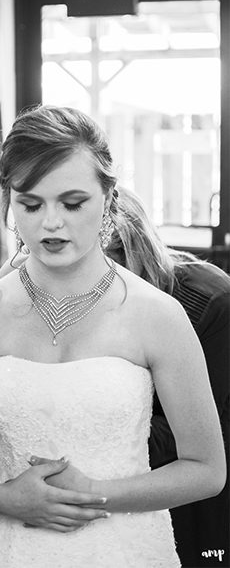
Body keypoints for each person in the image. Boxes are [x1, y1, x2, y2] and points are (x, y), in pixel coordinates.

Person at [0, 105, 225, 567]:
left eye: (73, 203)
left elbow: (207, 470)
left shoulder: (157, 316)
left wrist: (96, 495)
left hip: (125, 547)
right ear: (9, 202)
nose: (51, 223)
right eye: (30, 204)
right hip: (10, 546)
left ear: (108, 200)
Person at [107, 190, 230, 567]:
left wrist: (89, 437)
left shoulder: (211, 301)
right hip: (119, 478)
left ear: (137, 252)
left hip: (201, 473)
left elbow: (197, 429)